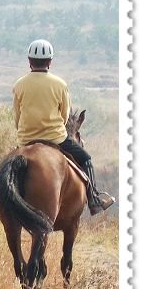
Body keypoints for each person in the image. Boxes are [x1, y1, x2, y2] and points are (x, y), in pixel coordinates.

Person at [13, 39, 115, 215]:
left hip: (26, 139)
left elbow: (17, 116)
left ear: (29, 61)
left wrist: (25, 132)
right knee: (86, 159)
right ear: (50, 62)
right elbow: (65, 115)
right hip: (56, 137)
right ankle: (94, 200)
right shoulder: (60, 84)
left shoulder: (19, 84)